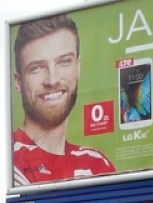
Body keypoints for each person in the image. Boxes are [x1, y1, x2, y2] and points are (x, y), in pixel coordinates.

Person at [12, 14, 116, 185]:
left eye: (64, 62)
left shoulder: (96, 163)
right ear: (19, 82)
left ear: (78, 67)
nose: (52, 80)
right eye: (37, 68)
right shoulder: (12, 159)